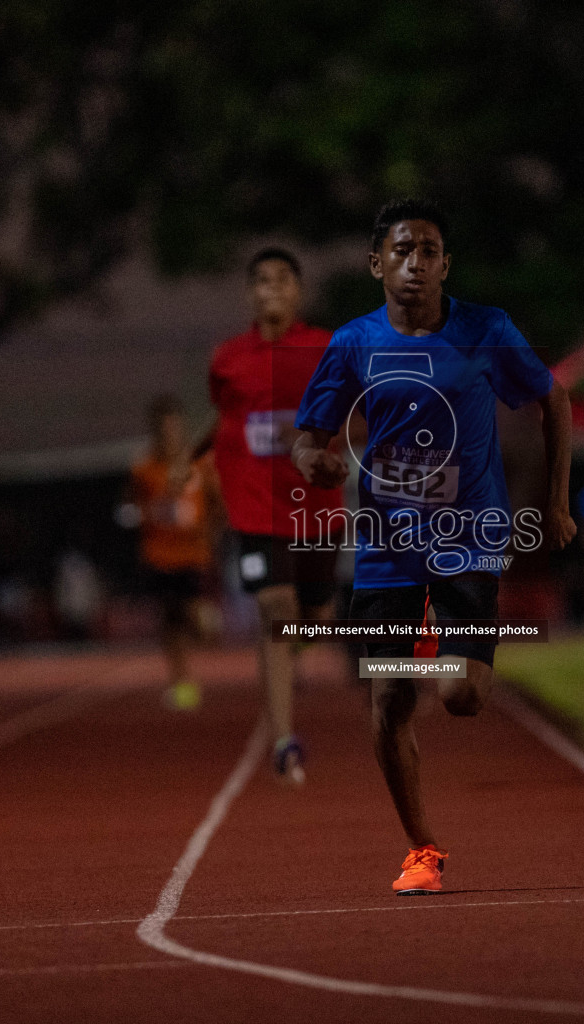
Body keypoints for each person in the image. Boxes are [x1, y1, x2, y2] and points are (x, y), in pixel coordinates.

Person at [292, 198, 575, 893]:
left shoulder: (486, 330)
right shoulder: (353, 343)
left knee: (461, 696)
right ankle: (422, 851)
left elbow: (553, 401)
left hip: (469, 536)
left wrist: (556, 500)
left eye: (427, 251)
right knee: (388, 702)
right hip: (387, 544)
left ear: (445, 264)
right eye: (400, 250)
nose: (413, 263)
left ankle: (445, 650)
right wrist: (316, 463)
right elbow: (308, 438)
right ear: (375, 264)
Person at [208, 248, 345, 784]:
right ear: (250, 293)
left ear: (297, 291)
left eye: (282, 280)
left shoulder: (325, 348)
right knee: (275, 609)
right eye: (261, 281)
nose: (271, 289)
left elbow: (357, 413)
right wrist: (199, 462)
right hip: (255, 508)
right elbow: (225, 419)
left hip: (315, 508)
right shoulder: (228, 359)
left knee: (315, 619)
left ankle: (288, 658)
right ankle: (284, 739)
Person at [127, 395, 223, 709]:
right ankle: (182, 684)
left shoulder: (198, 466)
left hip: (194, 554)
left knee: (195, 619)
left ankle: (209, 626)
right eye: (164, 429)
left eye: (175, 428)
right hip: (159, 555)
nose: (170, 434)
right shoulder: (143, 470)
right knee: (170, 622)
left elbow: (216, 504)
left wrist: (211, 534)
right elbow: (136, 508)